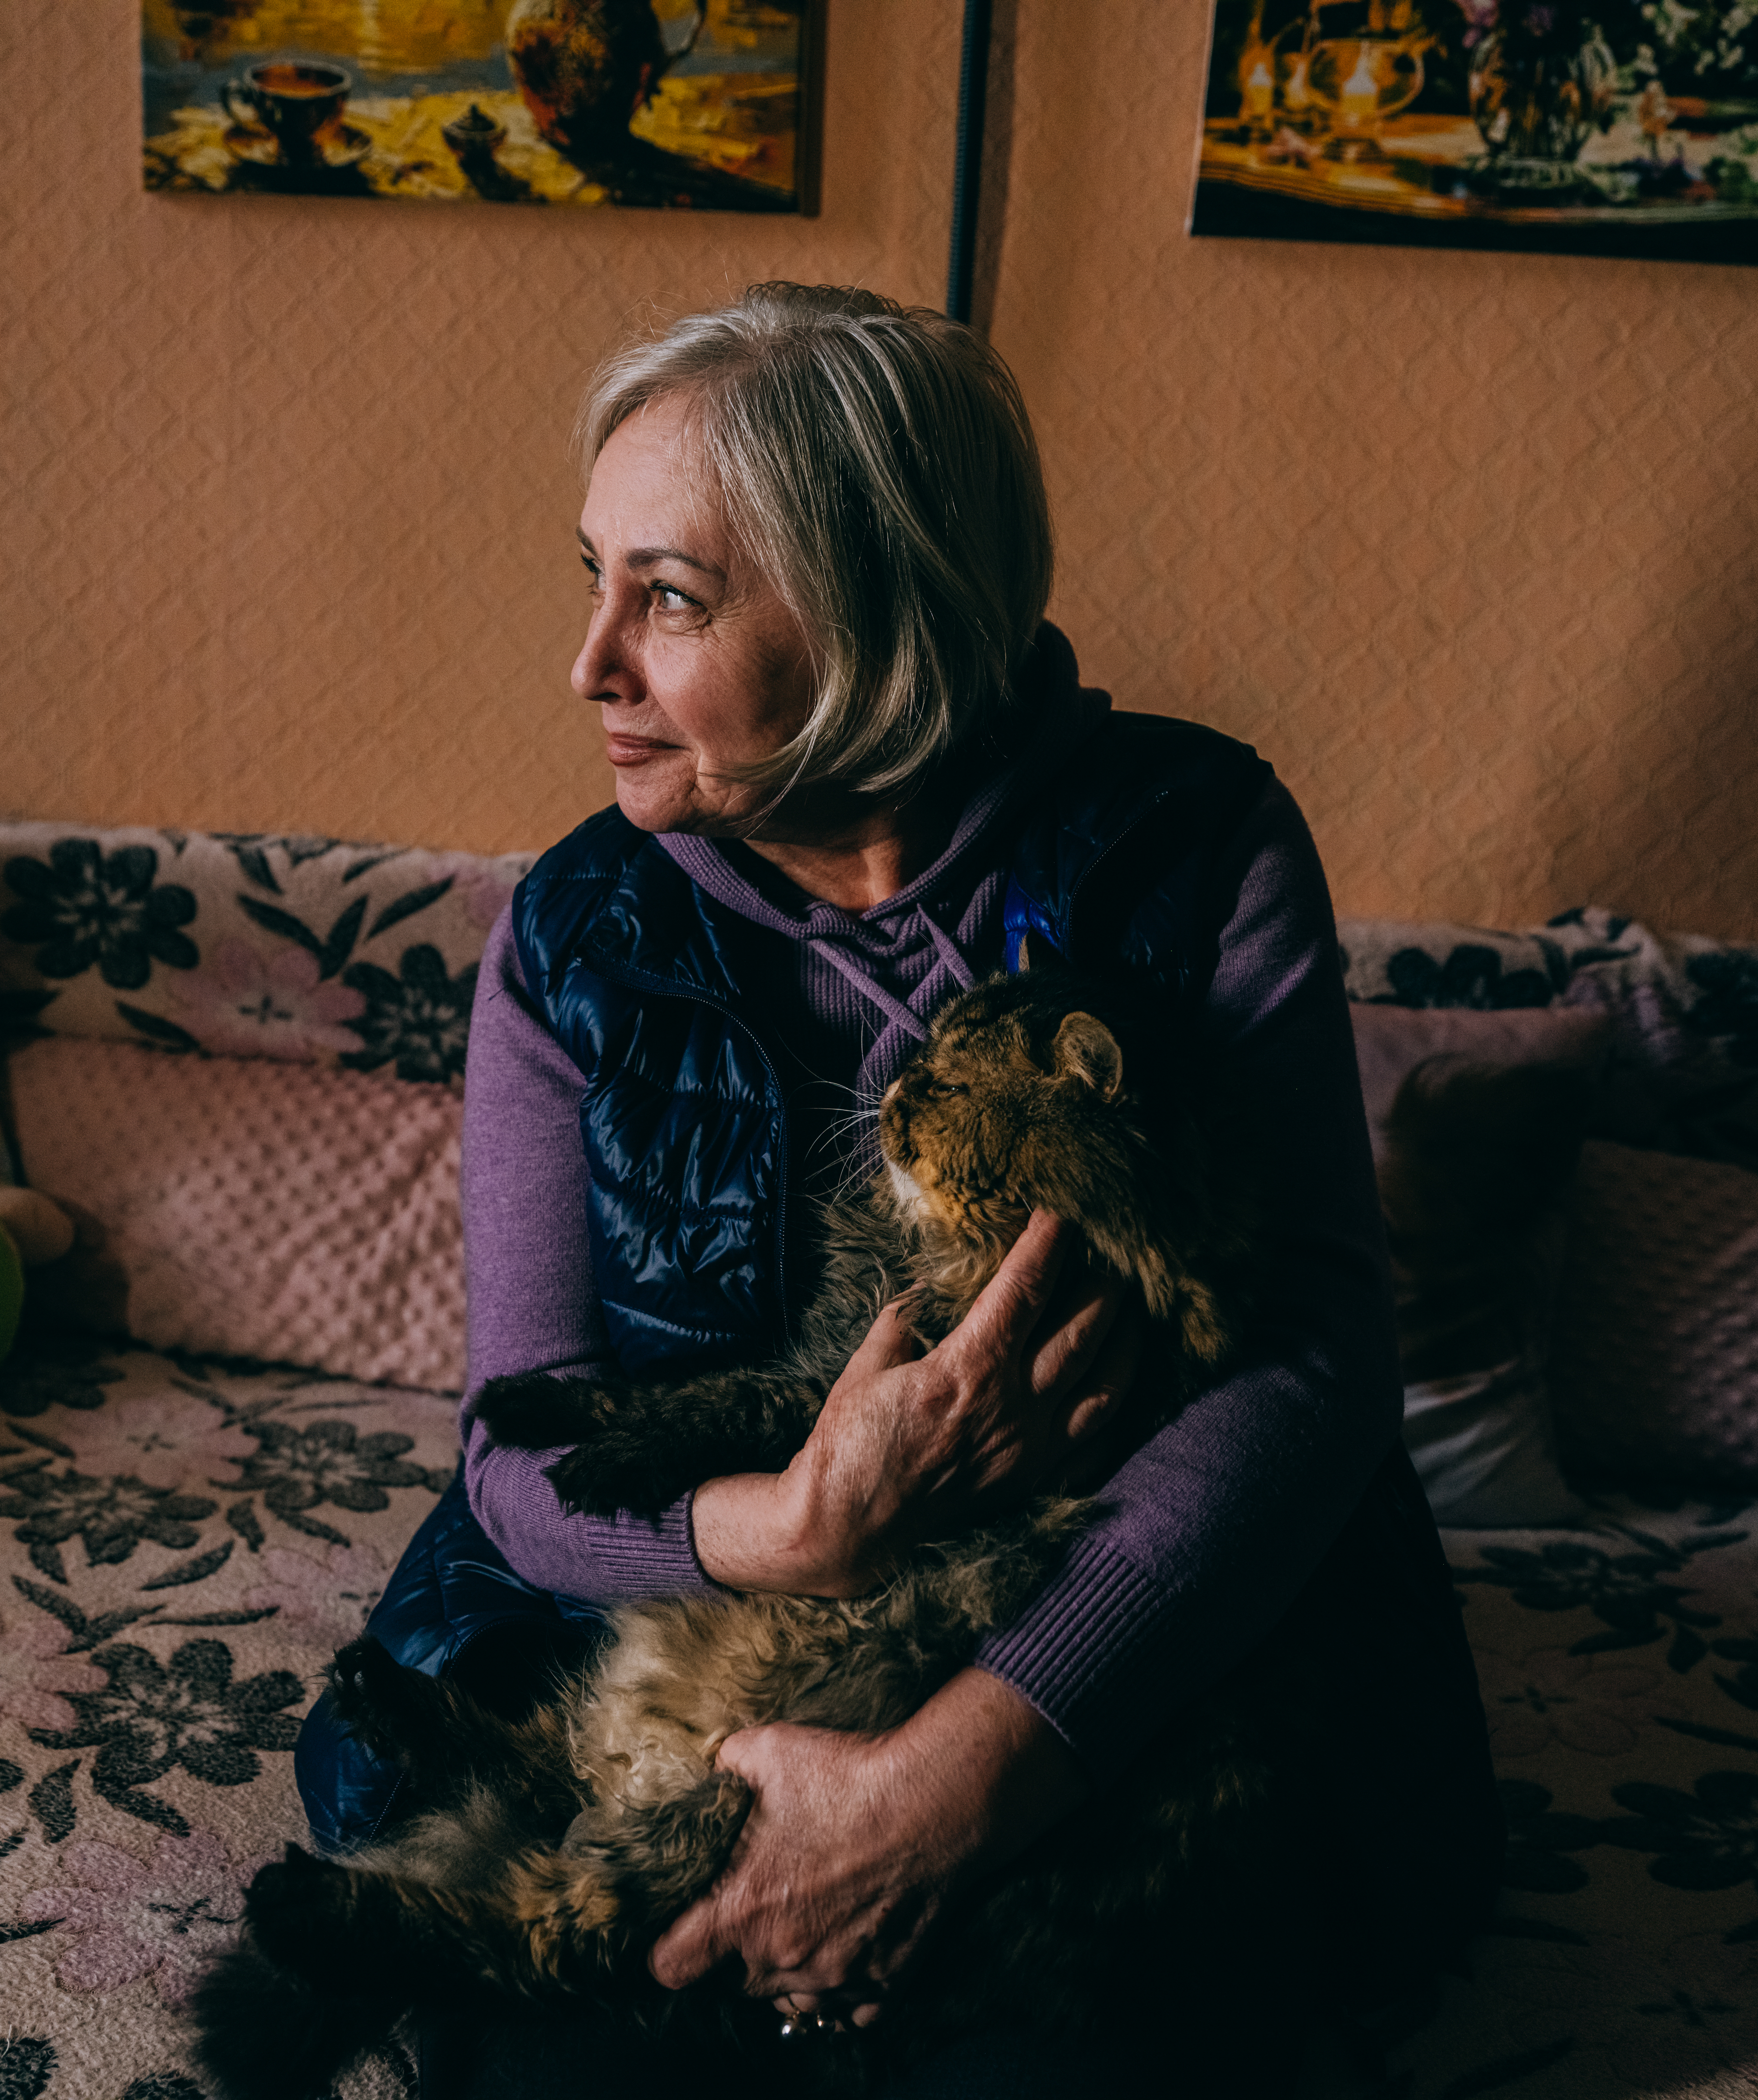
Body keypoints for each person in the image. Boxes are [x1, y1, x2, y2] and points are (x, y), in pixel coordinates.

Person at [291, 282, 1499, 2093]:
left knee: (1131, 1988)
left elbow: (1308, 1364)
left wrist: (971, 1773)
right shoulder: (573, 933)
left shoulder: (1190, 845)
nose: (589, 664)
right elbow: (517, 1454)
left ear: (877, 613)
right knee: (514, 1992)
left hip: (1108, 1607)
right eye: (594, 580)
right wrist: (795, 1526)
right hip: (697, 1594)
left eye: (672, 598)